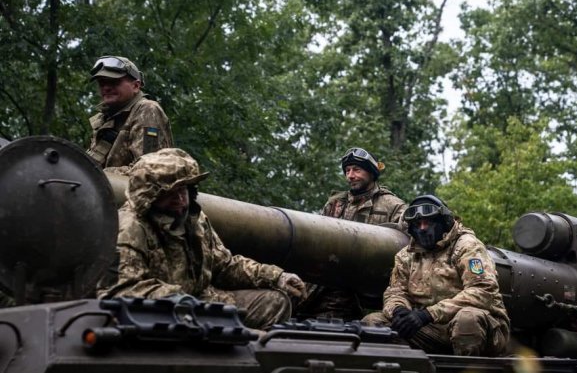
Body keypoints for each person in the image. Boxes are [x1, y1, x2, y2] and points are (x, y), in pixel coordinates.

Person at [97, 148, 306, 330]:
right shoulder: (129, 227)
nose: (180, 198)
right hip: (158, 311)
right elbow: (120, 289)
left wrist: (276, 276)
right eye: (170, 192)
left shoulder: (195, 220)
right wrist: (175, 298)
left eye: (183, 189)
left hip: (202, 302)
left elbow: (224, 266)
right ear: (150, 195)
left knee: (275, 302)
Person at [362, 195, 510, 356]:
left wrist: (428, 314)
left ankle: (467, 371)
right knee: (373, 323)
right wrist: (399, 311)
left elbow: (483, 291)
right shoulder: (406, 255)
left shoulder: (467, 246)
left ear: (443, 222)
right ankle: (403, 368)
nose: (422, 228)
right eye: (417, 224)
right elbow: (395, 292)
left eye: (428, 223)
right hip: (430, 329)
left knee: (467, 319)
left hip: (481, 328)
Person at [296, 147, 407, 320]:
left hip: (362, 290)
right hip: (322, 282)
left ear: (371, 172)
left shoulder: (393, 206)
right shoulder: (334, 204)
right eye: (347, 171)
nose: (350, 175)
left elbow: (407, 245)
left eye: (356, 170)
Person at [87, 56, 174, 172]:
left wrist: (101, 175)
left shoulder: (147, 110)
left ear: (136, 86)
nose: (106, 88)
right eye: (102, 83)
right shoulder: (106, 118)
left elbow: (149, 169)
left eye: (113, 82)